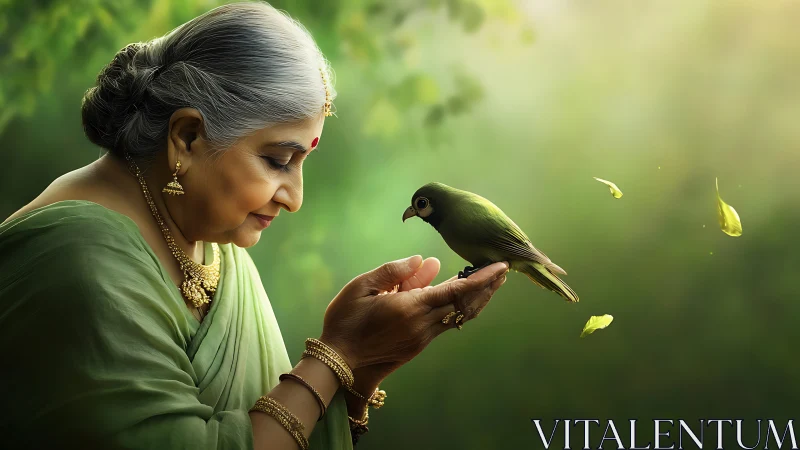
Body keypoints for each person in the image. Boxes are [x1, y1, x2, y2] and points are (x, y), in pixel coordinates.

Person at [0, 2, 509, 449]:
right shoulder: (79, 265)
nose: (295, 199)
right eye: (278, 161)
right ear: (187, 137)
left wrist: (361, 368)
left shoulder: (213, 246)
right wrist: (340, 352)